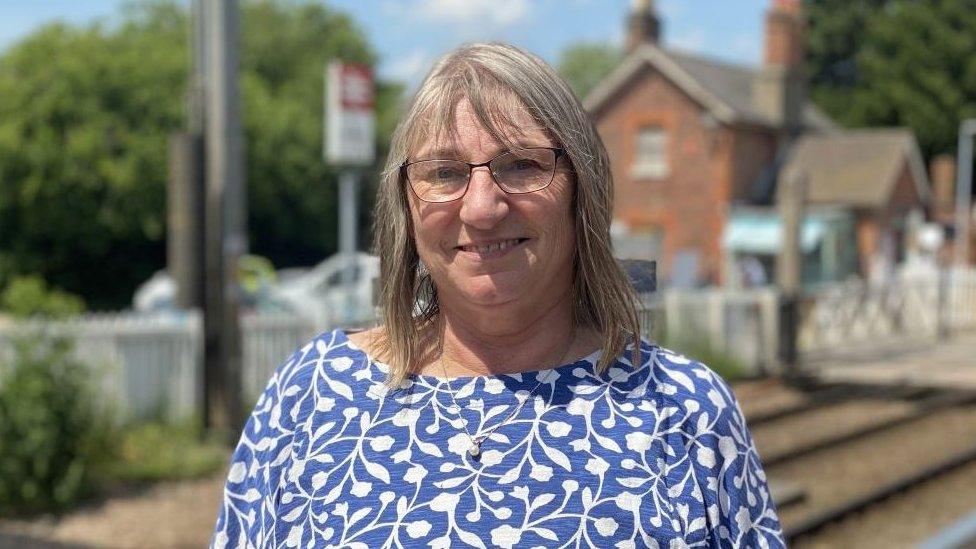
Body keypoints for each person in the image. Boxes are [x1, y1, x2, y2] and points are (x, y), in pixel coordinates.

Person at [212, 43, 784, 548]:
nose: (482, 207)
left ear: (580, 190)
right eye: (444, 173)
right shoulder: (311, 397)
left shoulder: (683, 409)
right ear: (405, 208)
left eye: (521, 165)